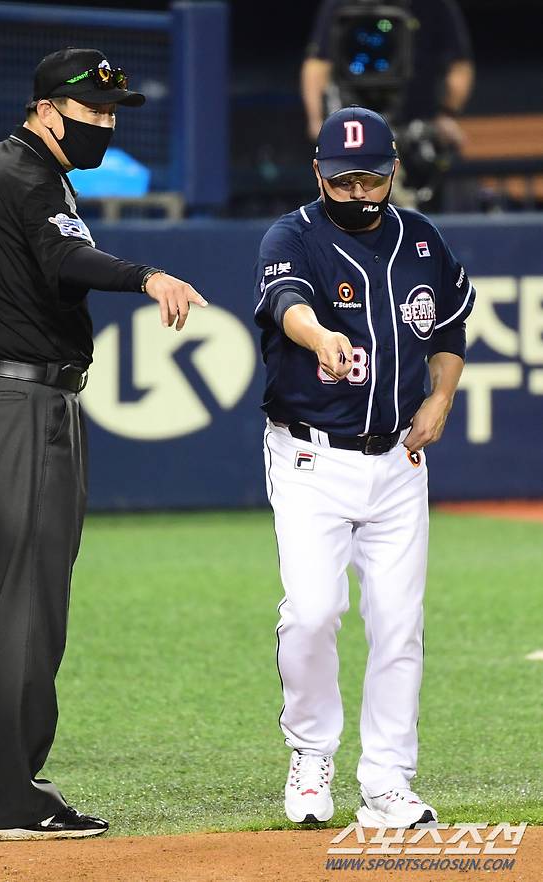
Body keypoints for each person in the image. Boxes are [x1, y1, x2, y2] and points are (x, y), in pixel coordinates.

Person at [0, 47, 207, 842]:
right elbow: (66, 255)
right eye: (90, 113)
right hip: (20, 403)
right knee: (27, 603)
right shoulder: (30, 176)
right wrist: (146, 277)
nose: (103, 125)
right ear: (44, 110)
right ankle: (9, 798)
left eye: (112, 113)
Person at [254, 106, 475, 827]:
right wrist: (319, 336)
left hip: (399, 464)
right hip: (311, 454)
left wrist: (440, 396)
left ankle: (386, 780)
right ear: (319, 172)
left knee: (399, 624)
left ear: (392, 173)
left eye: (371, 180)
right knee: (315, 613)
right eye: (343, 180)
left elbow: (448, 327)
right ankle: (311, 754)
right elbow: (286, 302)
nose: (358, 193)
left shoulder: (422, 238)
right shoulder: (293, 234)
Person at [301, 0, 474, 206]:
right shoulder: (339, 3)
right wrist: (318, 122)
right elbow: (318, 65)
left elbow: (459, 66)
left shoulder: (435, 5)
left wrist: (447, 114)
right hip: (353, 132)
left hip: (418, 132)